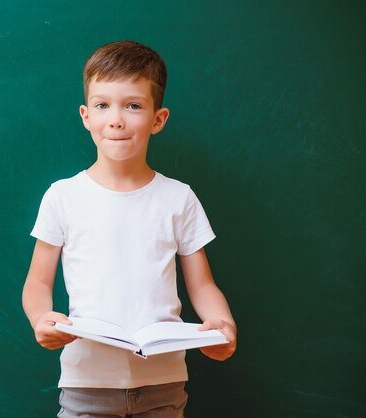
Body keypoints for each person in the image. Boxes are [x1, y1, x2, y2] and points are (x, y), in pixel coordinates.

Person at [22, 40, 236, 418]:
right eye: (103, 105)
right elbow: (38, 282)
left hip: (163, 382)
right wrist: (42, 318)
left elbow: (201, 284)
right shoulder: (63, 196)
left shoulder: (178, 198)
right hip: (87, 383)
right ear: (86, 115)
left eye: (133, 105)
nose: (116, 119)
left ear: (158, 119)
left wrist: (220, 323)